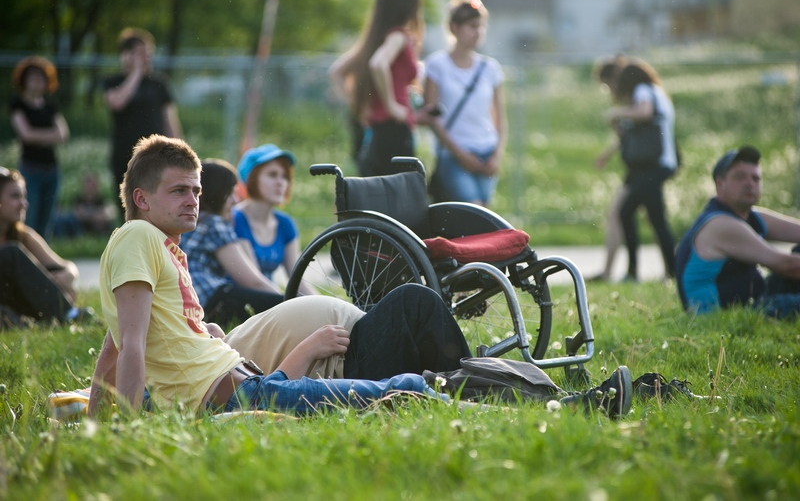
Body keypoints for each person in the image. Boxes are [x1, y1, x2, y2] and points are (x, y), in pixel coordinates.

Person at [86, 134, 632, 418]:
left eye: (198, 190)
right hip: (243, 396)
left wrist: (94, 418)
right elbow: (128, 347)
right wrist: (129, 430)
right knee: (405, 389)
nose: (195, 201)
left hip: (258, 383)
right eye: (180, 190)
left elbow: (113, 350)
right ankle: (568, 402)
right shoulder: (136, 238)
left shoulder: (159, 249)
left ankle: (559, 395)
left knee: (411, 382)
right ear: (142, 198)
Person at [675, 145, 800, 318]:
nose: (749, 183)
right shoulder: (720, 224)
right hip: (723, 315)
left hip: (754, 301)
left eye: (755, 178)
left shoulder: (751, 216)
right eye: (740, 177)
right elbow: (787, 266)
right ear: (720, 184)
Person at [328, 0, 424, 176]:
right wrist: (391, 105)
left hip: (377, 131)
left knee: (376, 197)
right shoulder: (398, 36)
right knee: (402, 198)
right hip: (394, 130)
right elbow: (378, 64)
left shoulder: (375, 40)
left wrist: (359, 104)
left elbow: (337, 72)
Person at [419, 0, 506, 206]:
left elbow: (500, 118)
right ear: (454, 28)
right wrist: (461, 154)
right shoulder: (437, 65)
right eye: (472, 26)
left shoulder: (489, 68)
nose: (478, 32)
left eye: (481, 26)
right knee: (473, 208)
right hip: (453, 155)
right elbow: (432, 116)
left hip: (486, 151)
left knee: (484, 216)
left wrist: (497, 154)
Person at [180, 159, 284, 329]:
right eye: (230, 193)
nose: (235, 201)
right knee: (280, 305)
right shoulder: (214, 223)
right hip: (209, 299)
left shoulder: (193, 221)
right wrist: (288, 301)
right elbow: (251, 281)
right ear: (216, 193)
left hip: (188, 302)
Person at [605, 58, 678, 282]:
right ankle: (670, 271)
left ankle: (635, 271)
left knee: (628, 213)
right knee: (655, 218)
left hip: (652, 166)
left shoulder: (644, 90)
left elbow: (644, 112)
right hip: (657, 165)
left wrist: (618, 113)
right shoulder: (655, 90)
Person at [103, 27, 182, 220]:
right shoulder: (113, 81)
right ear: (126, 55)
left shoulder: (159, 83)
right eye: (140, 53)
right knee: (128, 206)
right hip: (125, 154)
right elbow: (117, 102)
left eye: (148, 53)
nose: (146, 58)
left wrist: (179, 148)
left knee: (156, 203)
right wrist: (136, 73)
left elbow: (170, 120)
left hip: (156, 155)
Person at [0, 166, 89, 327]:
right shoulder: (11, 252)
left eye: (24, 197)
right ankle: (66, 315)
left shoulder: (23, 235)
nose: (24, 204)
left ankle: (66, 314)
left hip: (17, 304)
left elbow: (66, 267)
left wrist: (63, 278)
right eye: (15, 196)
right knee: (10, 253)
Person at [233, 144, 313, 296]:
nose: (280, 182)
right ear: (252, 178)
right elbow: (254, 282)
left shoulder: (285, 223)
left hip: (271, 297)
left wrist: (326, 306)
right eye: (272, 175)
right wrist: (286, 305)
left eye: (285, 176)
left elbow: (298, 280)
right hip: (245, 301)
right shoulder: (236, 218)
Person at [9, 56, 70, 240]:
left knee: (46, 221)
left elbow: (63, 134)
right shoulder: (17, 105)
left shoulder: (51, 107)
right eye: (33, 78)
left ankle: (43, 260)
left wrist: (38, 136)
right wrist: (49, 136)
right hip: (31, 169)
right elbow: (25, 134)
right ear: (25, 81)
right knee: (29, 218)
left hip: (51, 169)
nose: (37, 83)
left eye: (41, 78)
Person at [590, 54, 628, 282]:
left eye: (606, 85)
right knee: (625, 215)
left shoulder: (636, 97)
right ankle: (613, 270)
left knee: (616, 213)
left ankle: (609, 271)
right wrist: (606, 154)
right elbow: (623, 137)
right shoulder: (627, 101)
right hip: (638, 167)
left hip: (644, 169)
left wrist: (616, 115)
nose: (607, 90)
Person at [53, 171, 115, 239]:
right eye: (88, 184)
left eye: (92, 185)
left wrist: (87, 214)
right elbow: (77, 214)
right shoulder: (78, 199)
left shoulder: (101, 200)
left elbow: (109, 212)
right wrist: (96, 214)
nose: (90, 187)